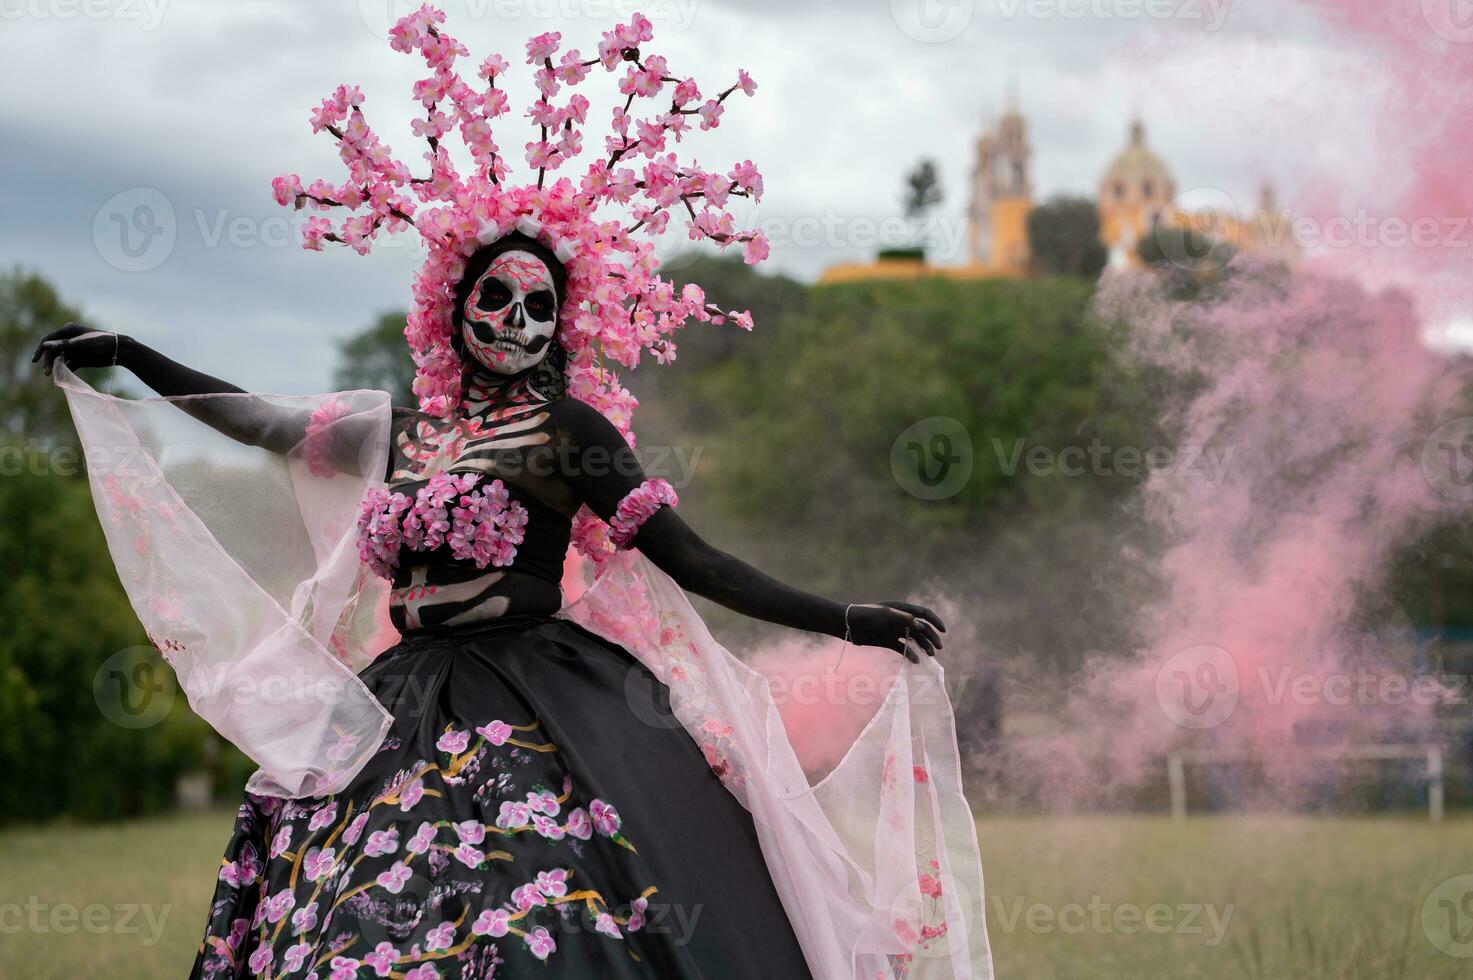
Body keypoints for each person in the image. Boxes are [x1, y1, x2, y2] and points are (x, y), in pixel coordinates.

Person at [37, 8, 990, 977]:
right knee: (367, 927)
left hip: (540, 703)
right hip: (400, 704)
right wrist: (127, 356)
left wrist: (847, 618)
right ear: (453, 307)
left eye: (541, 305)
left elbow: (694, 560)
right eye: (498, 298)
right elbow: (259, 418)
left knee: (541, 919)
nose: (519, 320)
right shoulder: (401, 432)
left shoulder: (568, 431)